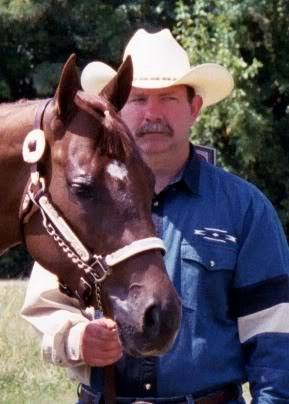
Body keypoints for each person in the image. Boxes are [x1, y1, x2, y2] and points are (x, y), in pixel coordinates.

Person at [21, 28, 289, 403]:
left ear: (194, 108)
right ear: (115, 109)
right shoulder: (80, 199)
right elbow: (47, 304)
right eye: (139, 98)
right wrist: (77, 339)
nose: (152, 114)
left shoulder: (244, 208)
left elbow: (275, 336)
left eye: (168, 98)